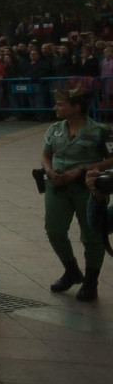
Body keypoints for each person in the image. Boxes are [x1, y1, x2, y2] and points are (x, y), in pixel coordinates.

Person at [41, 89, 113, 302]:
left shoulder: (101, 131)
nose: (56, 108)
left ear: (76, 107)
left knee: (92, 234)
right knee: (54, 230)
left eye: (61, 104)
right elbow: (46, 154)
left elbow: (112, 159)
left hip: (88, 187)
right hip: (58, 186)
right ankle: (71, 270)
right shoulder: (54, 129)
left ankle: (91, 280)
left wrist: (82, 170)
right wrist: (48, 170)